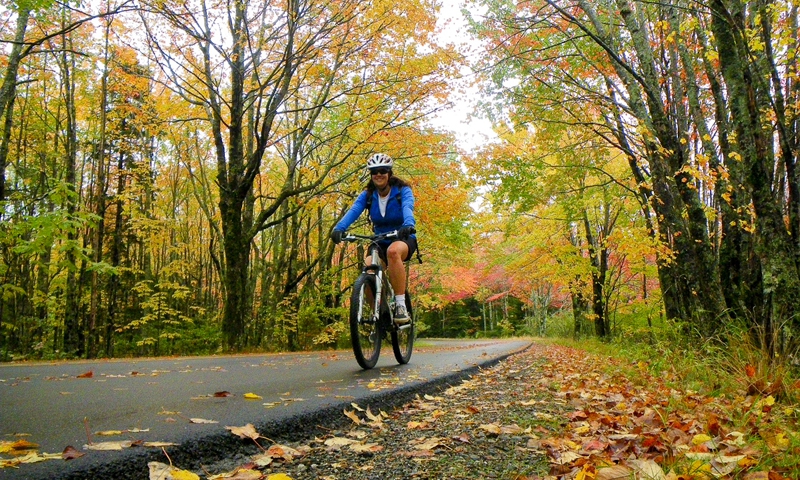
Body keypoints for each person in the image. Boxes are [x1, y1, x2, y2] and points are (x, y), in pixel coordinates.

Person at [331, 153, 417, 324]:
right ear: (371, 175)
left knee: (393, 252)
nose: (379, 174)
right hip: (379, 241)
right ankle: (380, 312)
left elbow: (408, 206)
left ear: (389, 173)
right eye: (374, 171)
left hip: (402, 238)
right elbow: (354, 210)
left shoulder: (402, 191)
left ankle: (400, 305)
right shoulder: (368, 195)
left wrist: (408, 224)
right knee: (369, 268)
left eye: (383, 170)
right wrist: (339, 228)